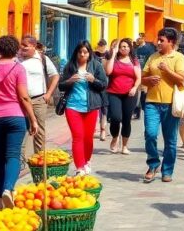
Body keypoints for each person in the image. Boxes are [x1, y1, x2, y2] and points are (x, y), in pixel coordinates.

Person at [0, 35, 40, 209]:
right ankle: (8, 189)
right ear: (15, 50)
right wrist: (33, 119)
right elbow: (24, 96)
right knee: (12, 155)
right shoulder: (18, 69)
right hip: (15, 116)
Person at [141, 27, 184, 182]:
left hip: (171, 104)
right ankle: (153, 164)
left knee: (170, 140)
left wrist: (167, 70)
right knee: (150, 134)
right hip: (152, 102)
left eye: (162, 40)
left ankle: (167, 170)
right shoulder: (152, 57)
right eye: (158, 39)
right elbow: (142, 77)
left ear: (171, 42)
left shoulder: (179, 57)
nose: (158, 43)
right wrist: (147, 80)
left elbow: (182, 79)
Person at [58, 40, 108, 175]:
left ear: (89, 53)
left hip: (91, 107)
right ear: (76, 52)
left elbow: (104, 85)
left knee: (87, 137)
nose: (82, 54)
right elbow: (60, 86)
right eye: (80, 52)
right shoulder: (70, 66)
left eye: (85, 52)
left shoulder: (96, 66)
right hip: (72, 106)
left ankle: (87, 161)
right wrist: (69, 81)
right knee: (77, 136)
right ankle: (79, 167)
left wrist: (93, 80)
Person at [17, 36, 58, 157]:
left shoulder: (42, 59)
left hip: (38, 99)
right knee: (21, 129)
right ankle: (21, 160)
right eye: (21, 45)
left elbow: (55, 75)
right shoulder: (16, 59)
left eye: (26, 45)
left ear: (33, 46)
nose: (22, 47)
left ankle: (39, 159)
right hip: (20, 100)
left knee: (39, 131)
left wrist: (48, 94)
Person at [105, 38, 141, 154]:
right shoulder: (113, 59)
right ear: (118, 48)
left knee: (126, 120)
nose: (124, 48)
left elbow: (139, 77)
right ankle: (115, 137)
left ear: (130, 48)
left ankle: (124, 146)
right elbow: (108, 72)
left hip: (129, 94)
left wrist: (135, 88)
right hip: (114, 93)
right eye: (122, 47)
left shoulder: (133, 60)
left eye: (127, 46)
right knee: (115, 117)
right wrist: (113, 54)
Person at [93, 39, 111, 141]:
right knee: (95, 106)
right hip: (94, 82)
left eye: (103, 45)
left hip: (105, 82)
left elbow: (108, 70)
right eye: (100, 45)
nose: (101, 47)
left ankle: (103, 130)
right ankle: (95, 129)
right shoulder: (94, 54)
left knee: (104, 107)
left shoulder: (108, 54)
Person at [135, 35, 156, 119]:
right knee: (138, 93)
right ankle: (137, 111)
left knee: (143, 93)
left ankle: (144, 108)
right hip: (137, 72)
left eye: (139, 38)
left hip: (144, 73)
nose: (137, 40)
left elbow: (150, 61)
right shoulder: (136, 49)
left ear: (143, 38)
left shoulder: (149, 49)